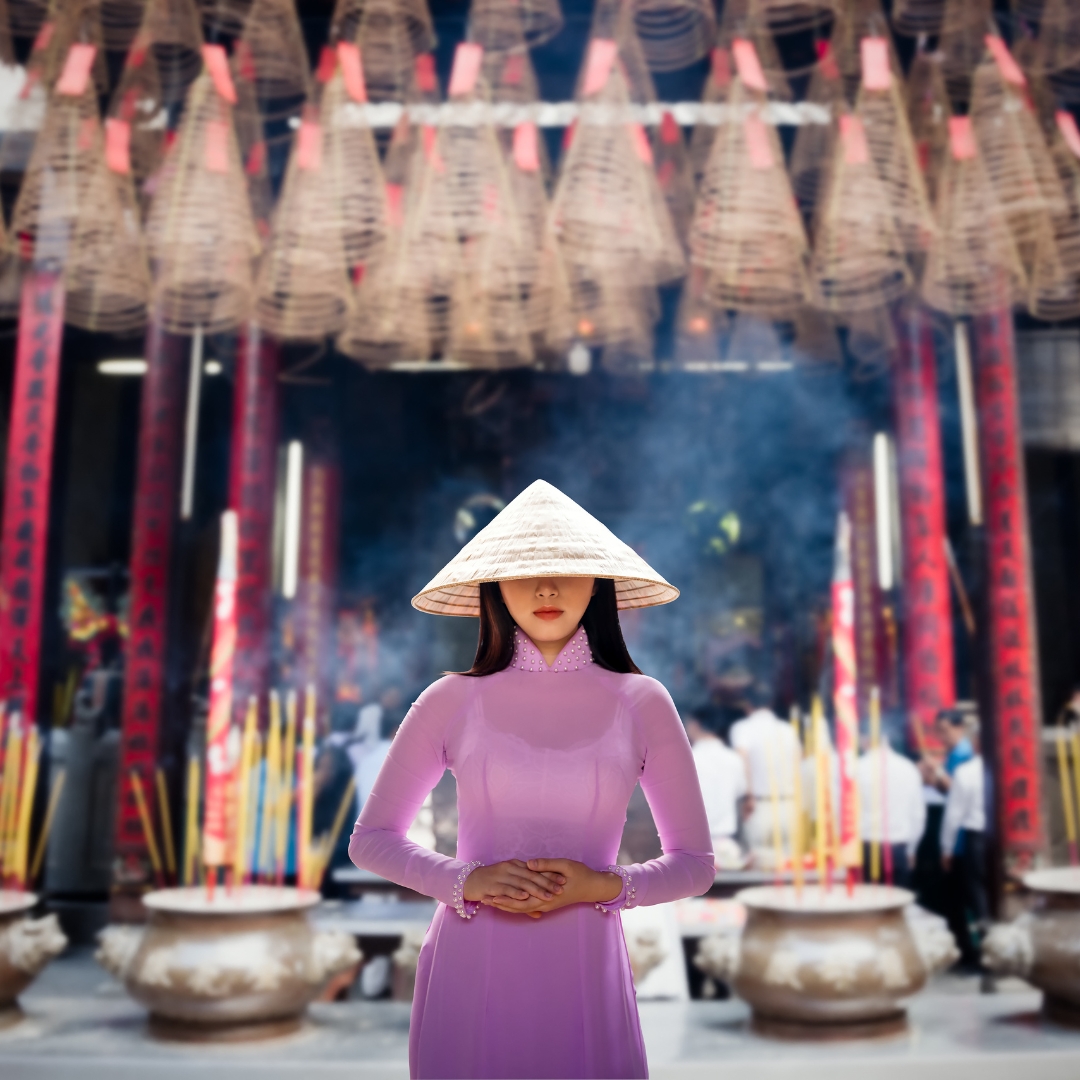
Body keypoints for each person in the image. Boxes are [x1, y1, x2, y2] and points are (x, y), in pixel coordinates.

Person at [349, 480, 714, 1079]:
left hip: (584, 964)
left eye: (566, 571)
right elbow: (372, 840)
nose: (546, 589)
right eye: (526, 573)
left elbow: (696, 863)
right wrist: (468, 880)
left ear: (598, 584)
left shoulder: (642, 701)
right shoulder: (449, 699)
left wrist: (601, 887)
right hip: (471, 962)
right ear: (494, 586)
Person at [729, 684, 801, 868]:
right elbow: (798, 764)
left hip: (758, 806)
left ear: (747, 704)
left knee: (760, 865)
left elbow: (742, 759)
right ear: (771, 703)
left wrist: (748, 796)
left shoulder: (743, 727)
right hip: (789, 805)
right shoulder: (788, 729)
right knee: (789, 867)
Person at [940, 715, 988, 971]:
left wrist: (947, 848)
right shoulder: (1000, 768)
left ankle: (980, 951)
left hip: (973, 839)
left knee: (974, 897)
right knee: (989, 896)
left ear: (977, 741)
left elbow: (953, 815)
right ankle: (993, 948)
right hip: (997, 840)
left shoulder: (966, 772)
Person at [856, 734, 925, 889]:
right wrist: (911, 849)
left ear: (864, 740)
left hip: (865, 848)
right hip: (898, 849)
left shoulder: (857, 768)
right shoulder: (909, 768)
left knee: (867, 906)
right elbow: (918, 815)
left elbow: (845, 813)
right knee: (895, 907)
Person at [685, 705, 748, 869]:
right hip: (726, 847)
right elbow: (741, 792)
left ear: (695, 725)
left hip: (692, 848)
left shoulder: (686, 760)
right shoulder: (733, 759)